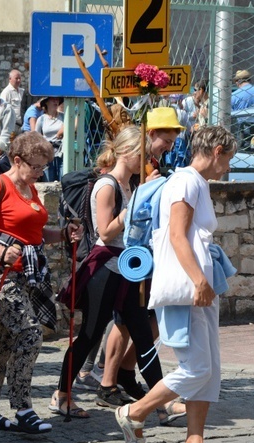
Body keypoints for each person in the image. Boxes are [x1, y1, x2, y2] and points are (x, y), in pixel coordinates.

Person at [113, 125, 236, 443]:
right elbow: (178, 237)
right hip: (186, 286)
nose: (228, 167)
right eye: (228, 158)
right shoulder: (185, 182)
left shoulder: (195, 182)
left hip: (197, 285)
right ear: (216, 151)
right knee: (197, 368)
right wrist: (198, 280)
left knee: (208, 370)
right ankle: (134, 412)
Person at [0, 131, 82, 434]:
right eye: (36, 167)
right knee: (29, 334)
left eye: (43, 168)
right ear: (17, 160)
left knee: (4, 341)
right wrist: (1, 250)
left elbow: (35, 236)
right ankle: (22, 408)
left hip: (29, 273)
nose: (41, 173)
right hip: (1, 274)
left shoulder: (31, 189)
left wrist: (63, 235)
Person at [51, 126, 173, 419]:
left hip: (128, 267)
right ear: (126, 152)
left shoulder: (132, 184)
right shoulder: (108, 185)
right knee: (90, 336)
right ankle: (62, 394)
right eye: (141, 154)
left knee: (143, 334)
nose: (147, 160)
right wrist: (136, 201)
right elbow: (105, 231)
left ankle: (161, 404)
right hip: (105, 267)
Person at [34, 96, 64, 182]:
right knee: (48, 181)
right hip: (47, 153)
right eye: (53, 99)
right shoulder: (42, 119)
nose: (56, 101)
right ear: (46, 102)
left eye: (57, 99)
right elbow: (37, 137)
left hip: (61, 152)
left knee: (62, 179)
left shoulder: (63, 117)